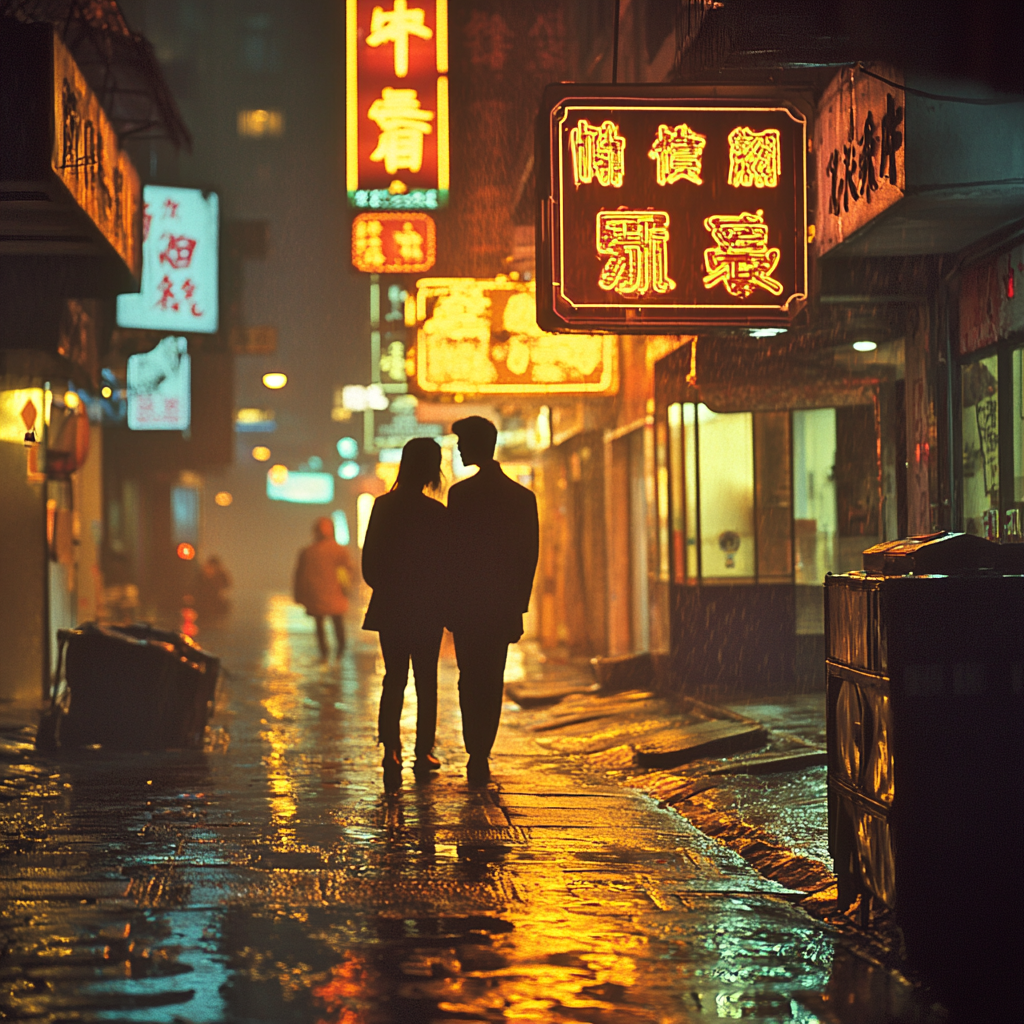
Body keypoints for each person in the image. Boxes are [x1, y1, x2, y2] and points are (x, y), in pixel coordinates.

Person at [447, 416, 539, 784]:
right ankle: (482, 749)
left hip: (468, 604)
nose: (458, 449)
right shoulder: (521, 497)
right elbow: (527, 557)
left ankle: (476, 750)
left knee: (470, 677)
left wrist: (449, 603)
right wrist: (518, 605)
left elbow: (450, 554)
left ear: (476, 444)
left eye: (461, 442)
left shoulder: (461, 495)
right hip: (500, 604)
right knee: (492, 677)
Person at [361, 437, 448, 784]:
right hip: (428, 608)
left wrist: (390, 587)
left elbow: (369, 565)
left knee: (393, 678)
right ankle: (423, 751)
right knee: (427, 681)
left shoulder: (383, 506)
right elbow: (448, 565)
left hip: (392, 607)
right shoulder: (437, 513)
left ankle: (391, 750)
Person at [293, 517, 353, 660]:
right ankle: (340, 651)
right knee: (338, 622)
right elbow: (346, 572)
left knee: (319, 625)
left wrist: (299, 595)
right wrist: (346, 589)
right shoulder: (339, 551)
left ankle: (324, 653)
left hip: (316, 595)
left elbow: (299, 576)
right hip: (335, 594)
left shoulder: (307, 552)